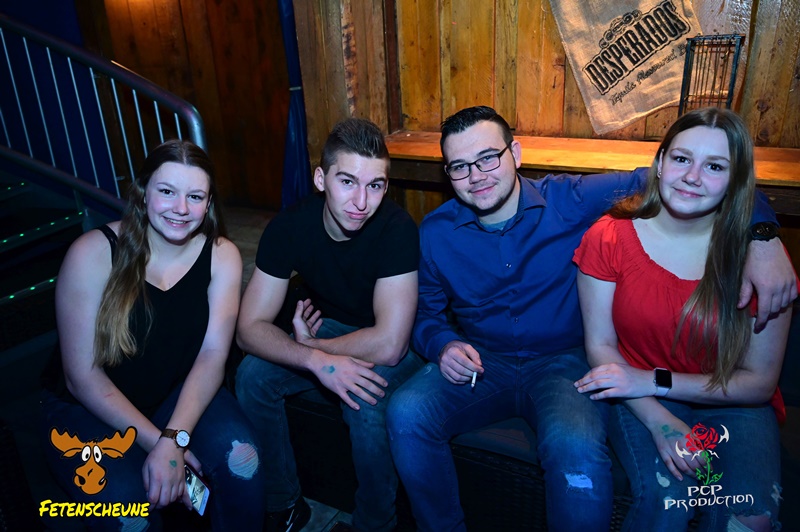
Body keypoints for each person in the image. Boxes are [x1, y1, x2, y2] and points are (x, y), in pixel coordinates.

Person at [385, 105, 797, 532]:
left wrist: (763, 235)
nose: (476, 175)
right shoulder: (435, 232)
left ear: (516, 154)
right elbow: (425, 314)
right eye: (460, 166)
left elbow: (680, 178)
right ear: (448, 174)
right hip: (482, 363)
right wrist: (443, 345)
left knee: (575, 445)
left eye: (488, 158)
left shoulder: (570, 198)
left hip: (565, 363)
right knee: (406, 412)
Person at [573, 108, 796, 531]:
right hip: (641, 396)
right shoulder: (610, 236)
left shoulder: (761, 260)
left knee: (751, 519)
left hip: (732, 401)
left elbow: (760, 383)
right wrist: (660, 420)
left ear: (735, 181)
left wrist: (653, 380)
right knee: (668, 503)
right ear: (659, 164)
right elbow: (600, 345)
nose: (692, 177)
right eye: (681, 159)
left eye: (715, 167)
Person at [41, 139, 267, 530]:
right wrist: (164, 445)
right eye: (167, 191)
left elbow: (213, 355)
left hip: (173, 393)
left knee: (243, 462)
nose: (181, 209)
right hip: (87, 409)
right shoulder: (92, 253)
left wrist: (174, 439)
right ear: (144, 193)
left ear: (209, 204)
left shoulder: (221, 255)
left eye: (195, 196)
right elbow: (82, 379)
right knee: (129, 516)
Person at [235, 118, 423, 532]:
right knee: (251, 377)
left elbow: (391, 344)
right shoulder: (289, 226)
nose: (361, 201)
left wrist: (314, 350)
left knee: (364, 400)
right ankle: (284, 504)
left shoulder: (396, 230)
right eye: (347, 182)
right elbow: (247, 329)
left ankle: (376, 524)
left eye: (375, 185)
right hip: (330, 331)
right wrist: (314, 358)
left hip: (395, 341)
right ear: (321, 179)